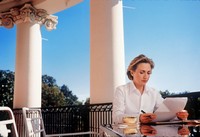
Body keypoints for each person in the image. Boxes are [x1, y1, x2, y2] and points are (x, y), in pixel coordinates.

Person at [113, 54, 188, 124]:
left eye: (148, 73)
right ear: (132, 72)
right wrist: (138, 118)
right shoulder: (121, 90)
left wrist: (179, 116)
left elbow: (166, 113)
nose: (146, 77)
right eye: (142, 72)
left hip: (149, 133)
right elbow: (116, 117)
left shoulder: (154, 93)